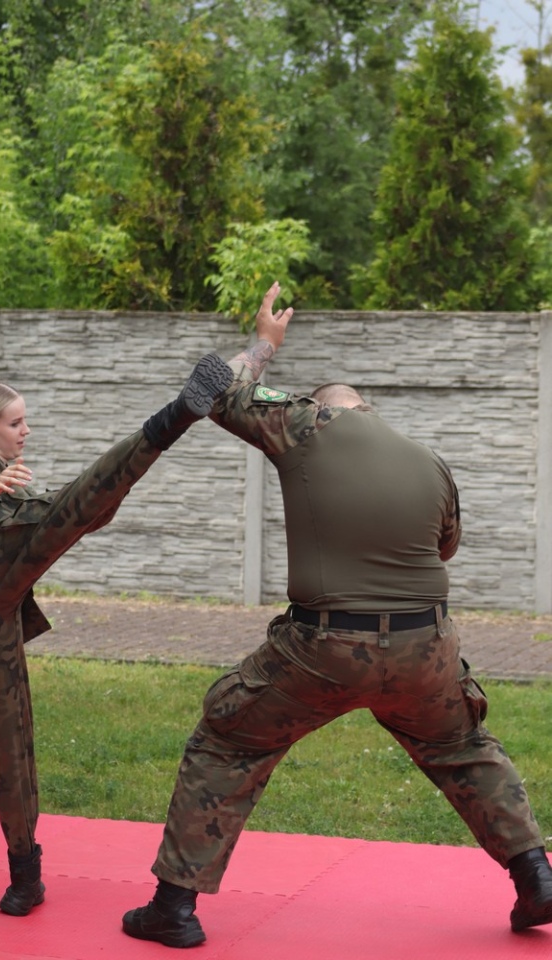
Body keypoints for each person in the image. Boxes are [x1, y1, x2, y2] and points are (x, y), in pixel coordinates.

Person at [122, 282, 552, 948]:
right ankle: (535, 875)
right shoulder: (430, 461)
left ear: (319, 406)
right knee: (463, 747)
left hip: (323, 647)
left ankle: (173, 908)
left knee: (228, 740)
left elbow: (210, 391)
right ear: (369, 409)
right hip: (425, 649)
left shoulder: (302, 423)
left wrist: (263, 345)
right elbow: (447, 548)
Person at [0, 352, 233, 917]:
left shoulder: (9, 478)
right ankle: (23, 870)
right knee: (5, 746)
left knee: (91, 502)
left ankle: (26, 877)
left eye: (25, 421)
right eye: (15, 423)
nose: (27, 430)